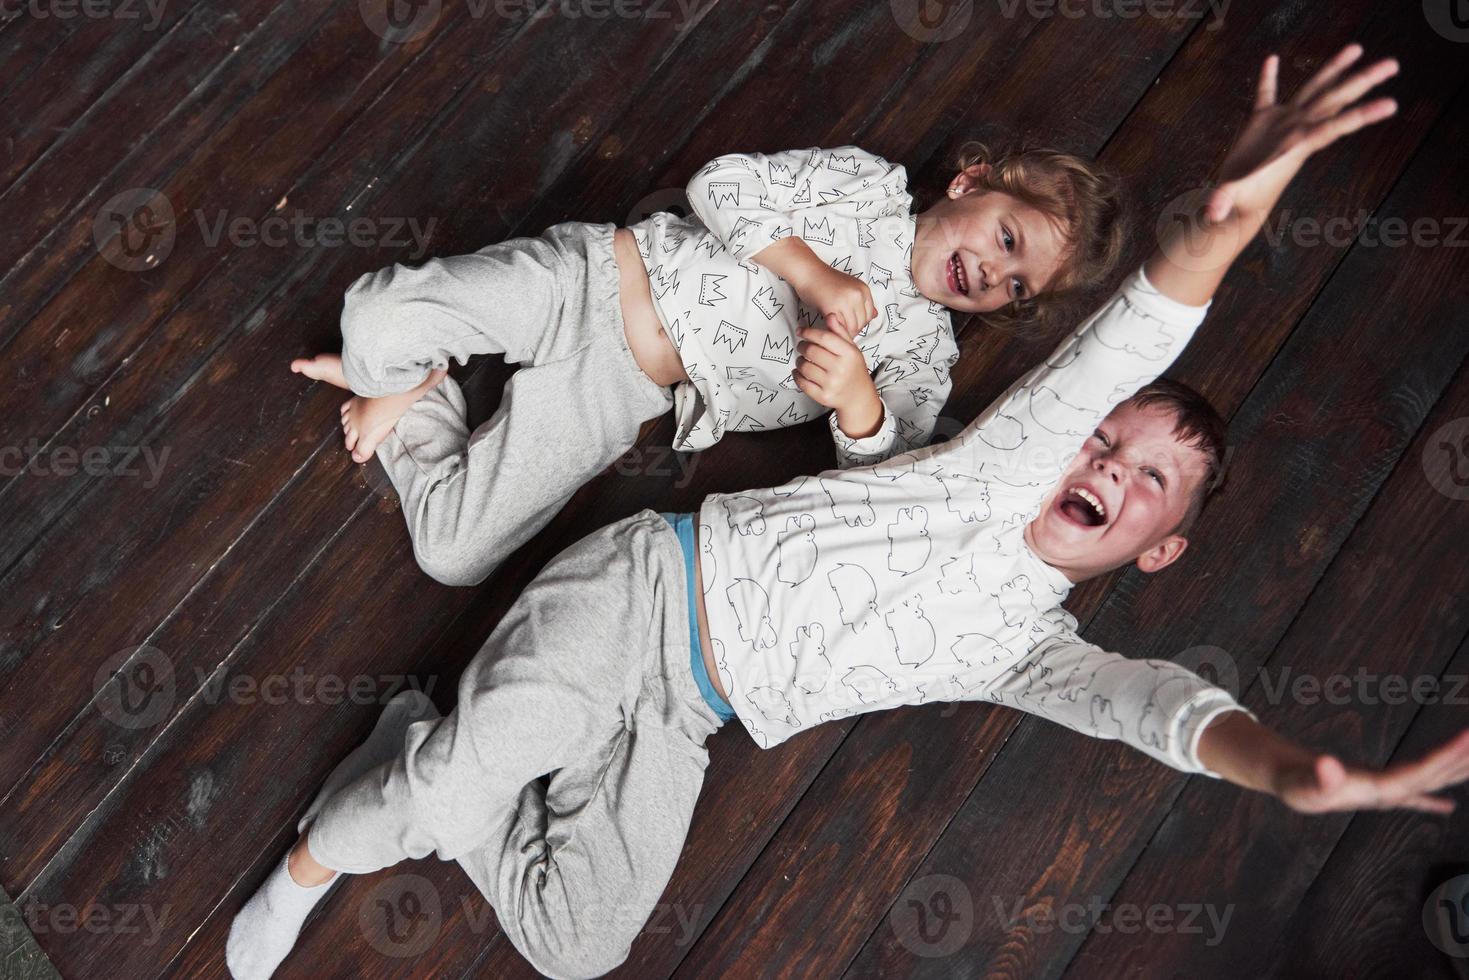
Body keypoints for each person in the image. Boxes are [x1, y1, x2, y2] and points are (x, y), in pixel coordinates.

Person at [231, 47, 1462, 980]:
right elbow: (1133, 328)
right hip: (649, 591)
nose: (1111, 471)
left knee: (579, 942)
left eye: (1146, 485)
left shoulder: (1029, 649)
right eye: (1108, 440)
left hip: (694, 708)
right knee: (438, 797)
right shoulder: (989, 465)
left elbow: (1150, 709)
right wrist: (1224, 222)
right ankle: (319, 851)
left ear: (1158, 548)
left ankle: (432, 749)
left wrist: (1287, 768)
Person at [288, 137, 1122, 586]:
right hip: (592, 278)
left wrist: (859, 406)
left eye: (1014, 287)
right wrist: (813, 272)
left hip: (623, 386)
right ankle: (400, 371)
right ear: (970, 185)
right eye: (1005, 239)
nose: (989, 273)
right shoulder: (866, 187)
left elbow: (890, 470)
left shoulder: (921, 357)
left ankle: (416, 390)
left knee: (454, 554)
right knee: (371, 317)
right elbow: (720, 184)